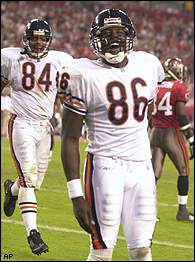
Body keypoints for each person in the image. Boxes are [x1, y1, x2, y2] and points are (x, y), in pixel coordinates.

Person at [60, 9, 165, 261]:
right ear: (95, 39)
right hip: (104, 167)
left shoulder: (148, 64)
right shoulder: (81, 72)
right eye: (106, 34)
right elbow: (69, 137)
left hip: (141, 168)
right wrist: (75, 194)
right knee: (101, 252)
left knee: (141, 250)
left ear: (130, 36)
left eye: (119, 33)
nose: (113, 39)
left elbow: (145, 115)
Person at [1, 19, 73, 255]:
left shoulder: (60, 60)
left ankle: (11, 189)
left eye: (43, 38)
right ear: (26, 39)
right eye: (35, 38)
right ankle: (33, 233)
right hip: (21, 124)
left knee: (33, 181)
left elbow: (66, 93)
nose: (39, 42)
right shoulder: (11, 58)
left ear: (49, 40)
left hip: (45, 128)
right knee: (29, 177)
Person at [149, 57, 194, 221]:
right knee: (184, 170)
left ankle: (148, 212)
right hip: (171, 133)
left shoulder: (155, 86)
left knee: (154, 173)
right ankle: (182, 211)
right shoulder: (178, 88)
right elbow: (181, 117)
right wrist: (191, 139)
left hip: (155, 132)